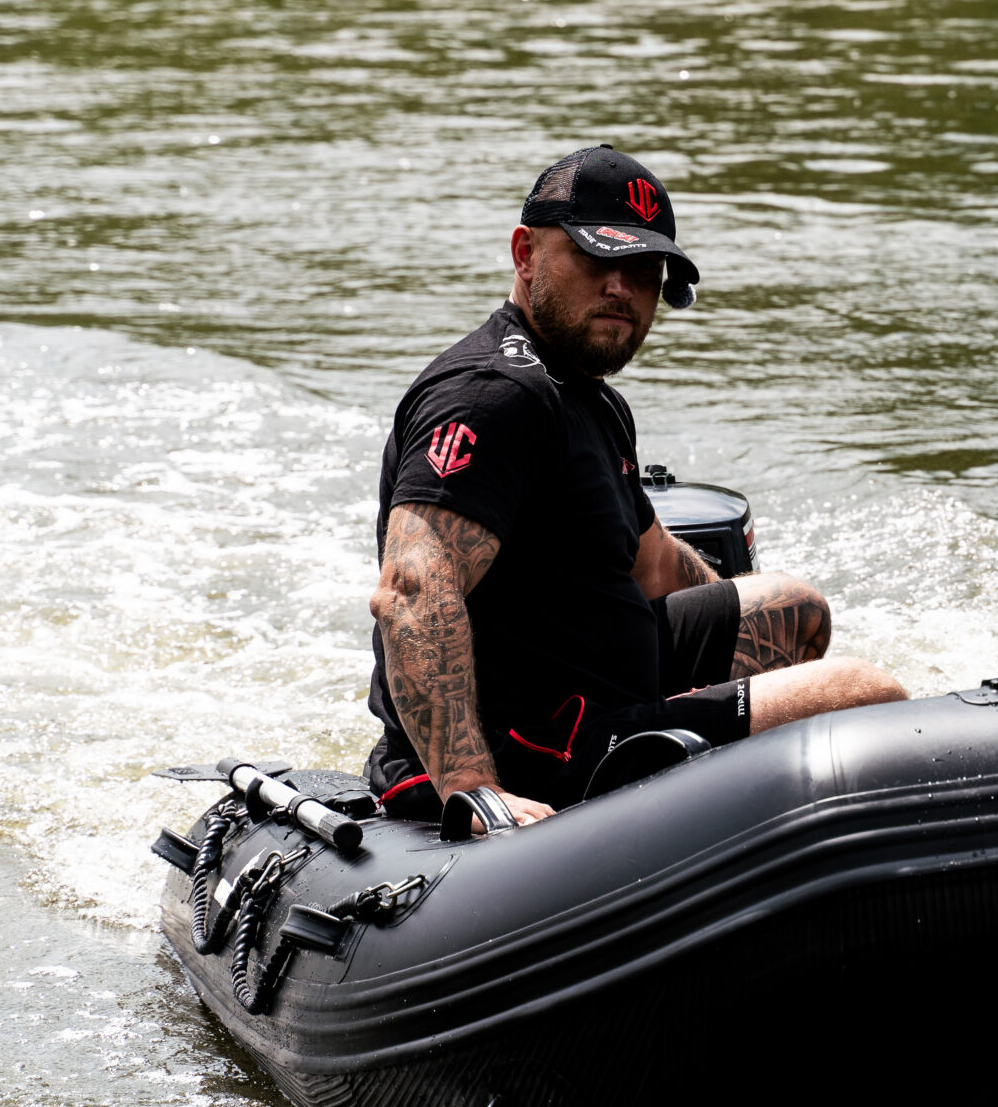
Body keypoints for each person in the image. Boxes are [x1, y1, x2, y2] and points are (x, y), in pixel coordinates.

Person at [362, 144, 906, 828]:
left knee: (792, 609)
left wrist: (725, 689)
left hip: (596, 684)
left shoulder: (587, 398)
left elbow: (652, 561)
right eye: (598, 259)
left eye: (644, 270)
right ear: (526, 254)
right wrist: (473, 786)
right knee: (867, 694)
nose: (622, 286)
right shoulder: (493, 396)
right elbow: (412, 590)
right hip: (541, 745)